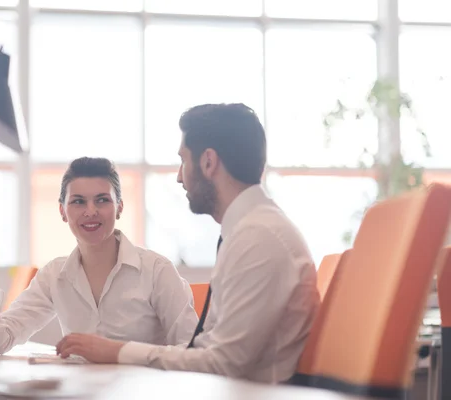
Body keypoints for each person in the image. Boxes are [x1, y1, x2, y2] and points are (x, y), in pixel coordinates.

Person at [55, 103, 320, 383]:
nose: (180, 176)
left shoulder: (259, 239)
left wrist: (118, 351)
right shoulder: (247, 232)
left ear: (208, 162)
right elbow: (211, 351)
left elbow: (223, 363)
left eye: (184, 160)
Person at [0, 157, 198, 356]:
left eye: (102, 200)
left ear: (119, 207)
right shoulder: (54, 275)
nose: (90, 211)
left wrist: (119, 353)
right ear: (62, 211)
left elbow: (192, 351)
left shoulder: (157, 270)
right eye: (78, 201)